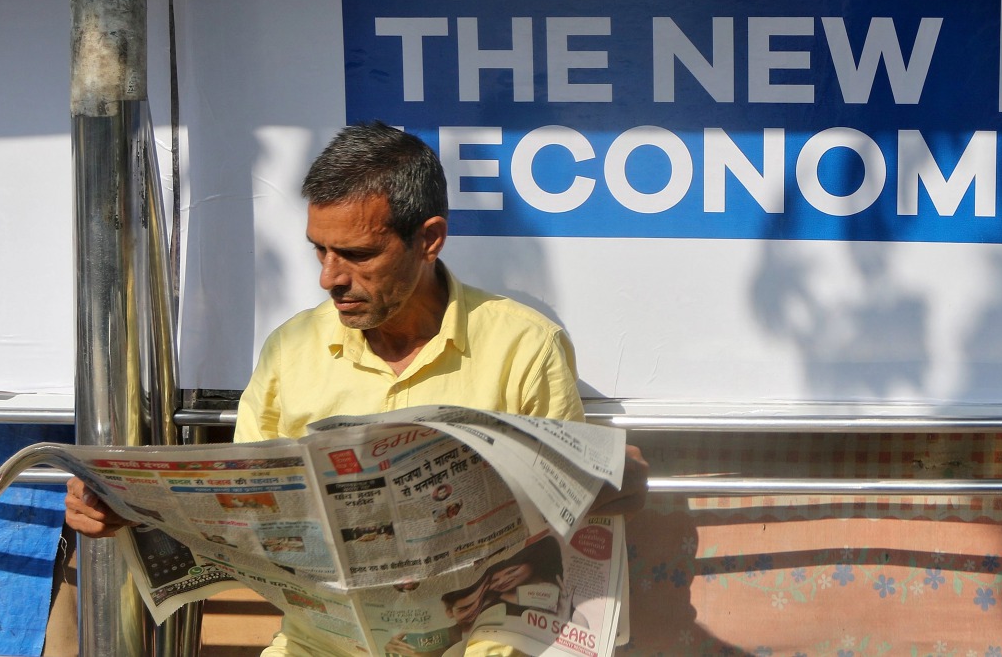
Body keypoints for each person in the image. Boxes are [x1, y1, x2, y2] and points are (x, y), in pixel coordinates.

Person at [64, 122, 649, 655]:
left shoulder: (523, 346)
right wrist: (129, 510)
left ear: (430, 239)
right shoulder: (291, 351)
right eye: (319, 249)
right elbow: (233, 520)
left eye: (358, 254)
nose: (329, 278)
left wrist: (613, 480)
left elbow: (573, 512)